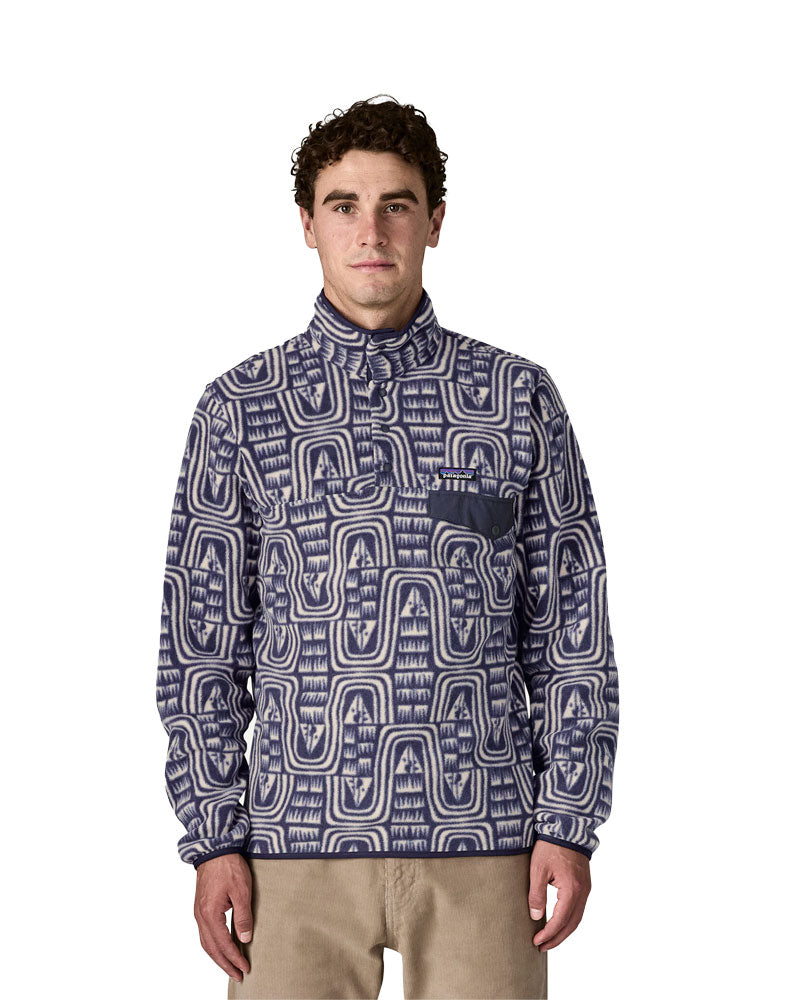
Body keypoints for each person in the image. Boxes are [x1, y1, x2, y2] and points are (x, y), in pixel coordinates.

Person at [155, 94, 619, 1000]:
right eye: (344, 206)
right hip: (291, 846)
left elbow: (572, 630)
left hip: (489, 842)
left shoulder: (515, 398)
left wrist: (569, 819)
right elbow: (202, 645)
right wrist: (212, 837)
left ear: (435, 221)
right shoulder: (240, 408)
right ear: (307, 225)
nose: (370, 232)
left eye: (396, 205)